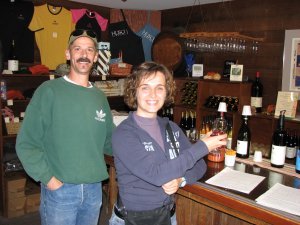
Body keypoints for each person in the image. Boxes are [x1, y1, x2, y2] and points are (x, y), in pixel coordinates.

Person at [109, 62, 227, 225]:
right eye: (145, 87)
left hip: (168, 216)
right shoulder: (124, 133)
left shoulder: (171, 128)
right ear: (134, 91)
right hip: (133, 219)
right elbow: (157, 175)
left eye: (159, 88)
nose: (153, 94)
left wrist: (181, 180)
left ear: (167, 92)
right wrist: (203, 146)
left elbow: (200, 165)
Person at [16, 29, 114, 225]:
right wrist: (50, 180)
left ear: (95, 56)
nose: (84, 54)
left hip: (94, 190)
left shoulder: (99, 97)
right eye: (77, 49)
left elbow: (110, 143)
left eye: (89, 50)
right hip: (60, 190)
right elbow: (27, 143)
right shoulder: (49, 91)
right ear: (68, 54)